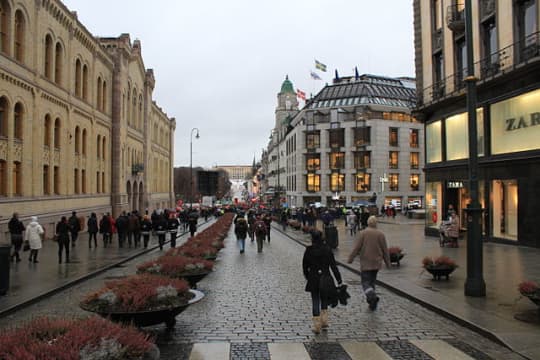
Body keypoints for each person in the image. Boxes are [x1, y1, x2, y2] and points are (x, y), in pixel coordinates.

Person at [302, 230, 342, 334]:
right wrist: (338, 279)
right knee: (324, 298)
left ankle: (316, 325)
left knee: (315, 300)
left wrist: (308, 276)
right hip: (325, 277)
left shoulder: (309, 250)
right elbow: (333, 265)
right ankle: (324, 321)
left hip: (313, 278)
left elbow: (305, 266)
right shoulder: (327, 249)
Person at [347, 216, 390, 311]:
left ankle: (372, 296)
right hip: (376, 262)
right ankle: (372, 302)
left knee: (365, 282)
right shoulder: (380, 234)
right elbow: (385, 250)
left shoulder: (363, 233)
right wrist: (388, 262)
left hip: (366, 262)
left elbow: (357, 248)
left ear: (368, 223)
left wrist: (351, 258)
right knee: (372, 281)